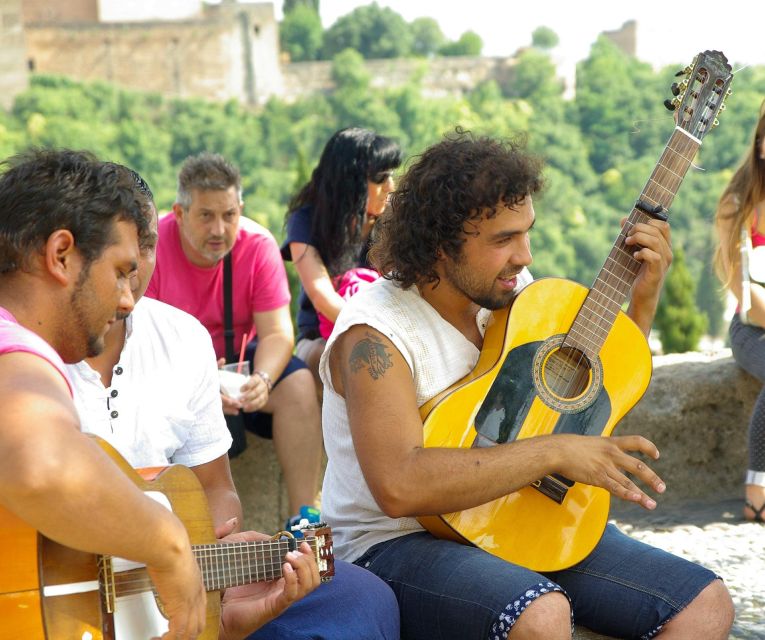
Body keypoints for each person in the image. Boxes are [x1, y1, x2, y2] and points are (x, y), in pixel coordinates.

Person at [319, 131, 735, 639]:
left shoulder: (517, 297)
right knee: (539, 612)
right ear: (439, 246)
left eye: (526, 232)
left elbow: (586, 396)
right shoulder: (376, 336)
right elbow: (399, 485)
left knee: (705, 605)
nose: (525, 255)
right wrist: (554, 452)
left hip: (515, 516)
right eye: (503, 240)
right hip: (390, 544)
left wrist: (642, 301)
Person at [68, 171, 400, 640]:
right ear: (63, 257)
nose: (136, 272)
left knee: (361, 597)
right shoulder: (26, 353)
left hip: (174, 587)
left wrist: (219, 552)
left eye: (147, 247)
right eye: (120, 258)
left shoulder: (181, 339)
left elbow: (215, 487)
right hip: (64, 600)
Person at [0, 149, 207, 639]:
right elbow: (42, 465)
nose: (127, 298)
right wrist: (169, 543)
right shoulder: (16, 349)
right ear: (61, 254)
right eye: (119, 270)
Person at [145, 152, 322, 529]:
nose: (219, 229)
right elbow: (142, 339)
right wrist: (201, 385)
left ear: (240, 208)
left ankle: (305, 520)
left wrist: (263, 381)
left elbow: (276, 332)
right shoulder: (153, 248)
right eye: (205, 216)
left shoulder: (257, 245)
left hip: (238, 365)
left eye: (229, 215)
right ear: (179, 213)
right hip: (172, 372)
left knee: (300, 385)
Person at [282, 127, 403, 384]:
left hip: (390, 335)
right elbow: (321, 296)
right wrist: (375, 331)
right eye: (380, 178)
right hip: (321, 338)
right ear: (352, 182)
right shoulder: (306, 220)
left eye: (390, 176)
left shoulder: (394, 220)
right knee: (363, 361)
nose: (390, 187)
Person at [714, 101, 765, 523]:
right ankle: (757, 491)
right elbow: (742, 293)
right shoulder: (737, 204)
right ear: (761, 145)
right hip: (753, 327)